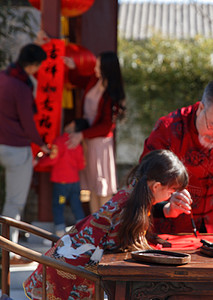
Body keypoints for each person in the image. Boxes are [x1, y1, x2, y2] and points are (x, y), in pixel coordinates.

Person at [24, 149, 189, 299]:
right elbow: (118, 249)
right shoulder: (130, 207)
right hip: (67, 274)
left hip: (61, 264)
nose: (171, 195)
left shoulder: (131, 195)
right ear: (156, 186)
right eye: (172, 191)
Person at [140, 77, 213, 234]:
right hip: (167, 229)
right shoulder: (167, 130)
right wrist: (166, 204)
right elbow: (140, 185)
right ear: (201, 108)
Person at [0, 44, 50, 249]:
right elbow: (28, 123)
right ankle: (8, 251)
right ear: (33, 65)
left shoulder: (3, 77)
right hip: (16, 148)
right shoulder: (22, 87)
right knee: (14, 202)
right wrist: (42, 144)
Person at [64, 51, 126, 214]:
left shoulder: (112, 94)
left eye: (99, 66)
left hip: (100, 143)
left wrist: (82, 135)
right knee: (92, 187)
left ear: (107, 69)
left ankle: (104, 226)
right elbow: (78, 80)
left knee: (102, 187)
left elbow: (106, 126)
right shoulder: (94, 79)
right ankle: (94, 226)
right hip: (87, 138)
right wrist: (73, 67)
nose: (95, 69)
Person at [36, 118, 90, 237]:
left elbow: (53, 159)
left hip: (62, 183)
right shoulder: (78, 145)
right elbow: (81, 165)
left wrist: (38, 162)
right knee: (76, 205)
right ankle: (83, 231)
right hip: (74, 182)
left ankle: (60, 232)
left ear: (73, 125)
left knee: (59, 205)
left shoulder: (59, 141)